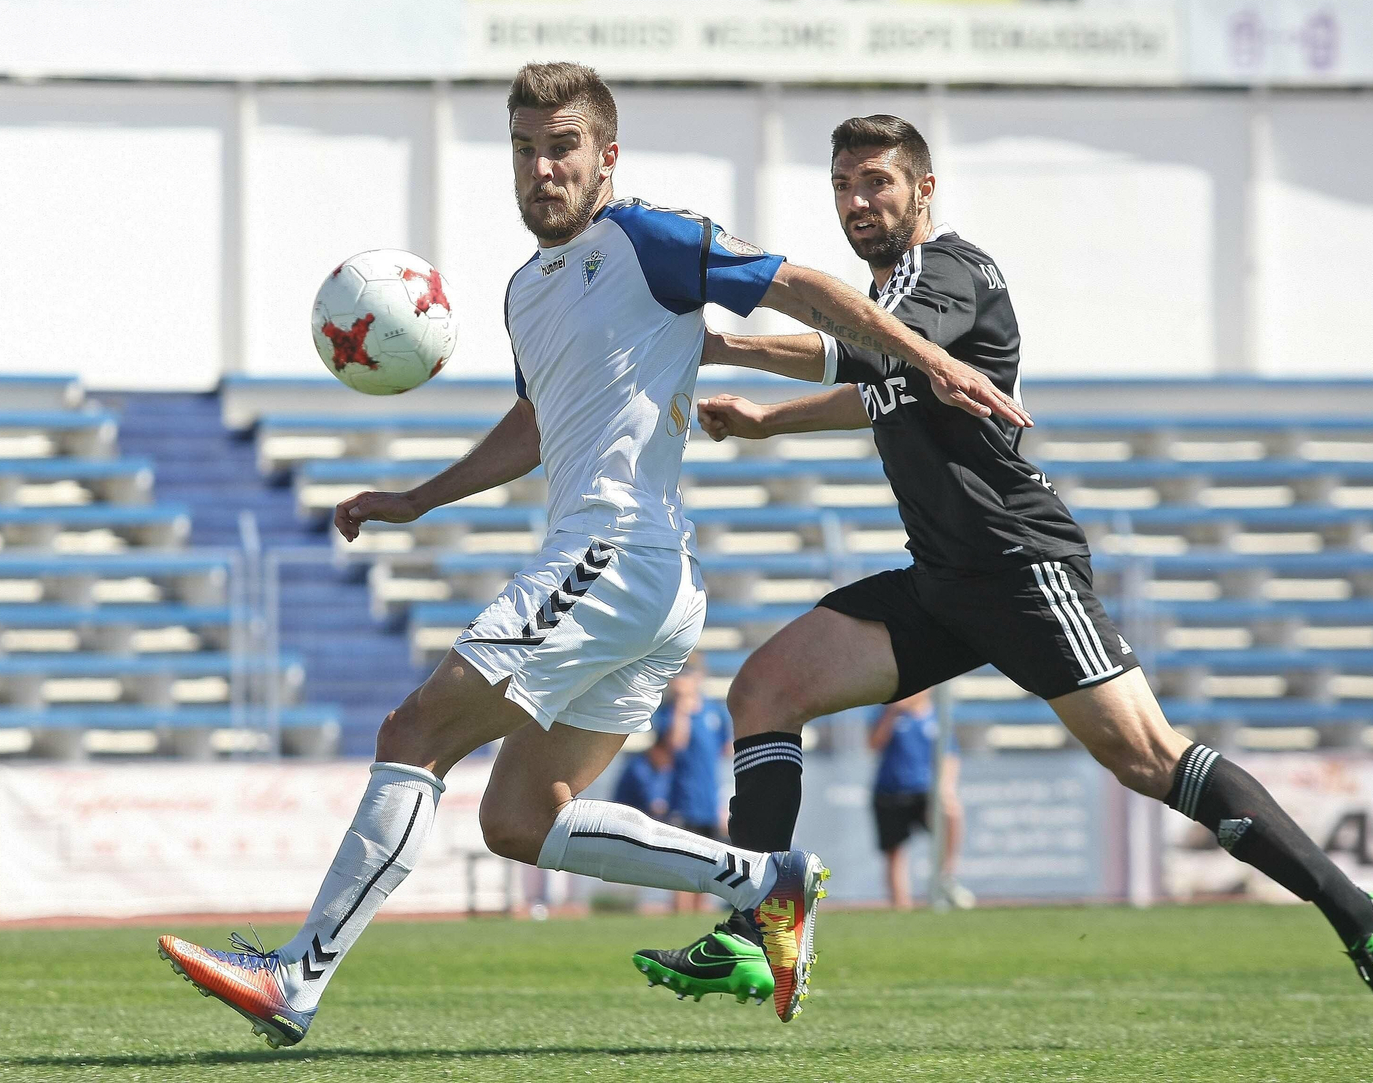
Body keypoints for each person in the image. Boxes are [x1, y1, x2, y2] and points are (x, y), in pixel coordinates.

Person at [157, 67, 1030, 1040]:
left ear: (605, 155)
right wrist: (419, 496)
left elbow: (802, 286)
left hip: (615, 555)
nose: (543, 168)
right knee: (520, 819)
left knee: (414, 734)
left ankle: (297, 977)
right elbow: (533, 426)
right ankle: (763, 878)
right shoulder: (525, 292)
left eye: (562, 146)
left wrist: (932, 357)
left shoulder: (647, 237)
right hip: (644, 581)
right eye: (526, 149)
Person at [630, 113, 1373, 1043]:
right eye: (843, 183)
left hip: (1018, 564)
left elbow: (878, 350)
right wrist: (769, 418)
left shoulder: (948, 273)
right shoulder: (894, 294)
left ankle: (1372, 921)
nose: (856, 201)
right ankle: (761, 927)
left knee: (1148, 760)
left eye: (877, 182)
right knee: (764, 690)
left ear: (924, 189)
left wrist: (741, 345)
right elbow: (882, 380)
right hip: (942, 581)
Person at [867, 692, 970, 911]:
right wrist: (891, 714)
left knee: (951, 812)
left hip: (925, 792)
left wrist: (946, 787)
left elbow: (950, 755)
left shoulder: (936, 718)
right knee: (895, 853)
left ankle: (946, 877)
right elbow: (874, 744)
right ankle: (901, 907)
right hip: (890, 791)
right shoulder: (890, 715)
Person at [649, 654, 733, 912]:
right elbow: (675, 744)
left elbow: (725, 751)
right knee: (682, 868)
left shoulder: (713, 710)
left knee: (707, 867)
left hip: (708, 801)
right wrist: (682, 709)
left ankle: (698, 918)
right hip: (681, 801)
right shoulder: (668, 712)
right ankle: (681, 916)